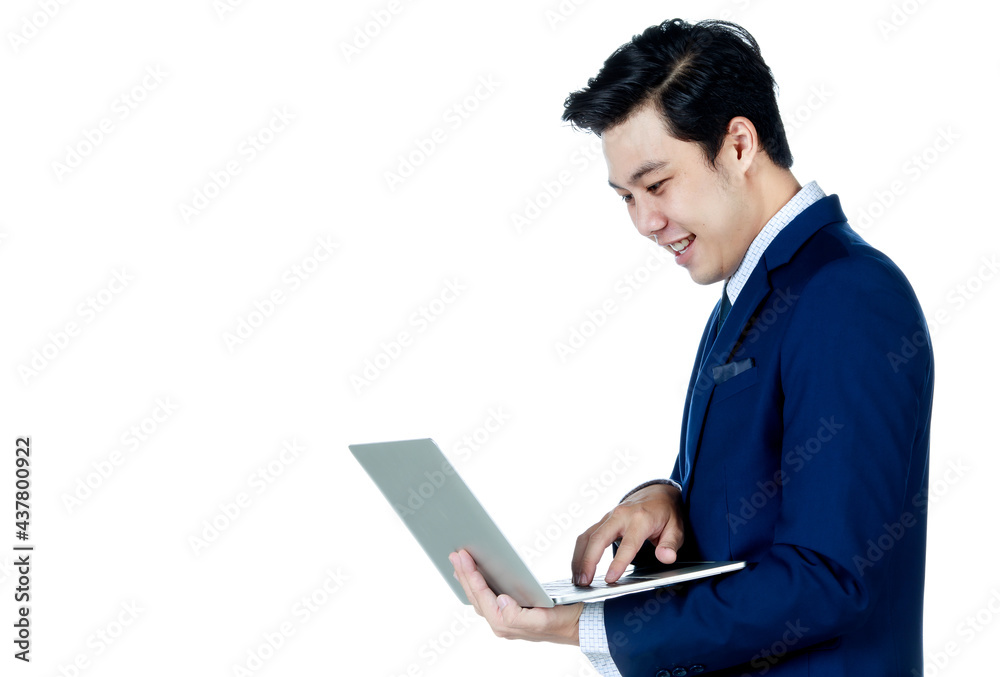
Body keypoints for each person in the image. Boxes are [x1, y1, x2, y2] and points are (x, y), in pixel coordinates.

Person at [450, 18, 933, 676]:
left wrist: (583, 623)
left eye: (657, 185)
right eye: (626, 197)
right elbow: (753, 497)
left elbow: (828, 577)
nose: (645, 222)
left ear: (737, 144)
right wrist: (663, 496)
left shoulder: (846, 294)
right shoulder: (748, 294)